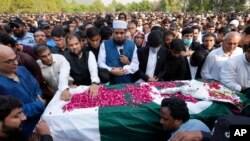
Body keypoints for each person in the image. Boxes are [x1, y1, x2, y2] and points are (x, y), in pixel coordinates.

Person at [0, 45, 45, 138]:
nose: (16, 63)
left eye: (15, 58)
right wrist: (39, 104)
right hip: (25, 130)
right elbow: (10, 113)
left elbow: (37, 87)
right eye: (9, 61)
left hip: (43, 119)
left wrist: (38, 100)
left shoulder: (22, 70)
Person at [98, 20, 139, 84]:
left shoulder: (132, 45)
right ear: (113, 33)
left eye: (122, 33)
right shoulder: (104, 45)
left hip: (128, 81)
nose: (119, 35)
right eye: (116, 33)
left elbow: (135, 65)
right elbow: (100, 63)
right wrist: (111, 70)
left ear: (126, 32)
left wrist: (124, 70)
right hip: (111, 82)